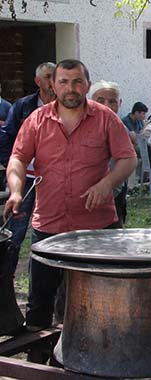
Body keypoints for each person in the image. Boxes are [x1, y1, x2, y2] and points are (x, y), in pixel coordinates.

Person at [3, 60, 136, 346]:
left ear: (87, 85)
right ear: (53, 85)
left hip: (97, 227)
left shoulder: (105, 118)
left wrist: (106, 184)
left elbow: (128, 158)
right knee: (40, 300)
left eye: (77, 82)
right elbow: (17, 159)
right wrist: (15, 190)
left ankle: (101, 356)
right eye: (63, 81)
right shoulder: (36, 120)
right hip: (49, 225)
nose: (70, 88)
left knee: (103, 298)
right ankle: (39, 359)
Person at [0, 62, 56, 270]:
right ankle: (7, 276)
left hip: (53, 179)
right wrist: (12, 165)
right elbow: (5, 137)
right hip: (25, 179)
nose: (52, 82)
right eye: (48, 76)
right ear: (37, 81)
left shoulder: (67, 107)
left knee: (49, 231)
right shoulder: (24, 105)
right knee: (15, 229)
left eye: (54, 76)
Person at [90, 80, 132, 226]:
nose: (106, 106)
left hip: (114, 195)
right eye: (101, 100)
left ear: (120, 103)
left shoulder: (121, 129)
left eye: (112, 101)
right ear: (90, 101)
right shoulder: (80, 127)